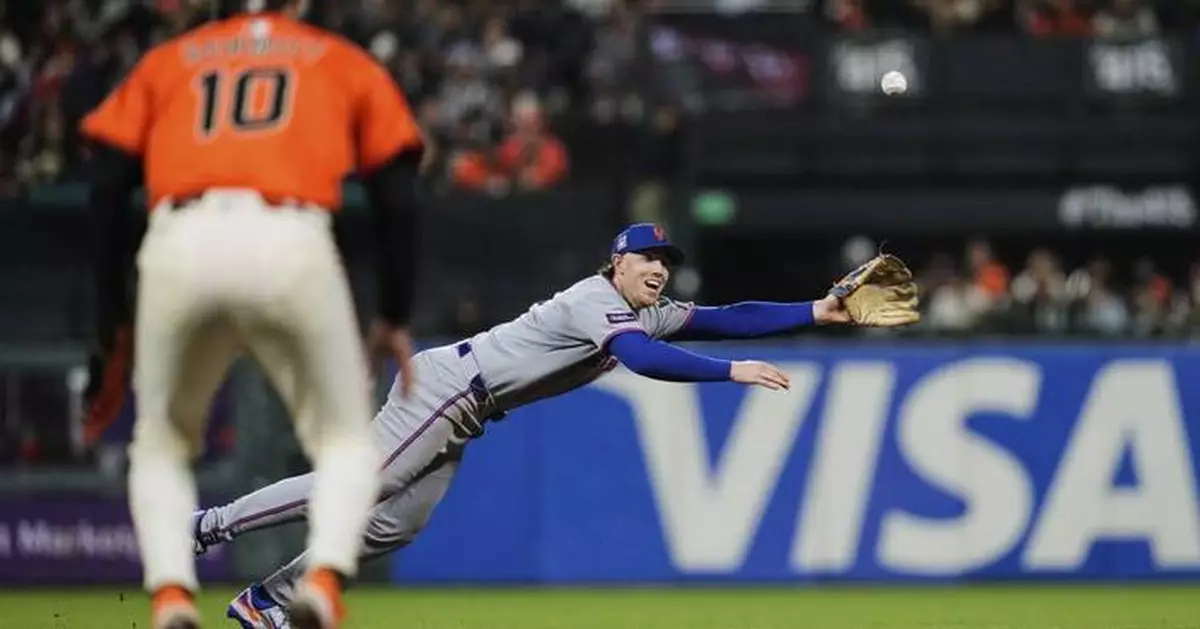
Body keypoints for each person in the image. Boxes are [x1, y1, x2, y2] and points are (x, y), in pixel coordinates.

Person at [194, 222, 919, 629]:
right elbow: (640, 358)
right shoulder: (595, 300)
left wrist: (815, 310)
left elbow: (730, 316)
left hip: (470, 404)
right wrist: (729, 374)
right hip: (451, 387)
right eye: (648, 259)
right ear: (617, 260)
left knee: (395, 525)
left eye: (667, 262)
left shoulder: (646, 307)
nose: (659, 270)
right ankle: (210, 525)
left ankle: (265, 602)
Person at [78, 0, 426, 627]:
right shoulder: (338, 60)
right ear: (295, 5)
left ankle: (172, 595)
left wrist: (112, 323)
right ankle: (321, 579)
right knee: (345, 439)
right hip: (292, 236)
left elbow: (104, 184)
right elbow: (398, 191)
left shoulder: (170, 61)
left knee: (161, 440)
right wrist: (394, 314)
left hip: (179, 236)